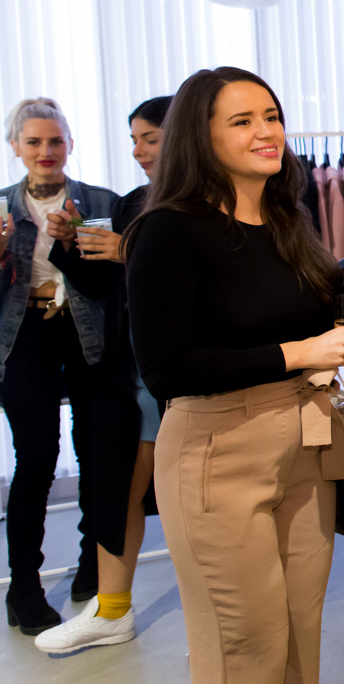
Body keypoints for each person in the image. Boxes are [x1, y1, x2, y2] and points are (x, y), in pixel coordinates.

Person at [125, 69, 344, 684]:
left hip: (309, 445)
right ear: (199, 137)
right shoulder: (168, 231)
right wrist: (303, 351)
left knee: (298, 636)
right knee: (246, 649)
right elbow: (166, 369)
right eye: (243, 121)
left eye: (272, 116)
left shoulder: (290, 219)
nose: (267, 132)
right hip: (218, 452)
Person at [33, 95, 172, 653]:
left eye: (149, 139)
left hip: (182, 379)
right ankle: (112, 608)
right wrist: (71, 246)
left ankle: (218, 614)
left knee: (192, 503)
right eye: (134, 139)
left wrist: (130, 255)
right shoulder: (135, 201)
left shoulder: (207, 203)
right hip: (129, 373)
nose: (137, 150)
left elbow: (201, 287)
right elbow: (98, 287)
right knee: (119, 492)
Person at [0, 98, 116, 634]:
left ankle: (95, 562)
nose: (46, 152)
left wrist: (73, 244)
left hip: (90, 340)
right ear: (15, 147)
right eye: (34, 142)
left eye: (55, 141)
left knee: (96, 455)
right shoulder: (2, 208)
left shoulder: (98, 202)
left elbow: (106, 287)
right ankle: (23, 586)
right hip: (24, 342)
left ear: (70, 144)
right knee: (37, 459)